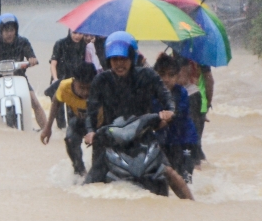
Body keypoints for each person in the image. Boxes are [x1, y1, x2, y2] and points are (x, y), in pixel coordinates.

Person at [82, 31, 193, 200]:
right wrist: (90, 131)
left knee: (168, 171)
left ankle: (193, 206)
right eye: (115, 59)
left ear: (132, 58)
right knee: (91, 182)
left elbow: (166, 96)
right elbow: (90, 111)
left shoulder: (147, 76)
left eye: (124, 59)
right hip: (110, 137)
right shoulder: (101, 81)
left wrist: (169, 111)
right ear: (108, 60)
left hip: (143, 135)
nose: (119, 64)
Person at [0, 13, 47, 128]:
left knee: (34, 102)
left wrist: (32, 58)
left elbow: (30, 54)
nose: (9, 33)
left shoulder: (23, 42)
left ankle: (46, 130)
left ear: (16, 30)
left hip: (20, 79)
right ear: (0, 31)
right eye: (6, 30)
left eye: (12, 30)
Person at [40, 62, 97, 178]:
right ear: (74, 81)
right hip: (79, 121)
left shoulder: (100, 87)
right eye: (81, 87)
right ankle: (79, 171)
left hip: (99, 123)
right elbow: (56, 102)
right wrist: (48, 127)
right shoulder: (65, 87)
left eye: (88, 88)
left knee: (98, 163)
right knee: (70, 139)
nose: (85, 92)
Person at [153, 53, 198, 183]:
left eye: (171, 75)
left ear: (178, 76)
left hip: (185, 141)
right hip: (164, 141)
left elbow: (179, 112)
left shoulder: (181, 93)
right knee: (166, 177)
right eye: (162, 74)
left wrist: (167, 118)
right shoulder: (152, 93)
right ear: (155, 74)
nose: (166, 79)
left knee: (185, 179)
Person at [50, 28, 89, 128]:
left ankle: (71, 134)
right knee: (59, 112)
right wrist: (55, 79)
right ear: (69, 32)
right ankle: (60, 132)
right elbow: (53, 64)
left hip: (74, 83)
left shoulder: (85, 46)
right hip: (60, 81)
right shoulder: (60, 44)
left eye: (80, 33)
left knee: (72, 114)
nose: (77, 36)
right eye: (75, 33)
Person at [181, 60, 213, 166]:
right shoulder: (201, 58)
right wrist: (208, 103)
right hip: (200, 104)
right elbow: (209, 81)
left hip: (183, 103)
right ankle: (203, 169)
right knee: (196, 142)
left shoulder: (176, 55)